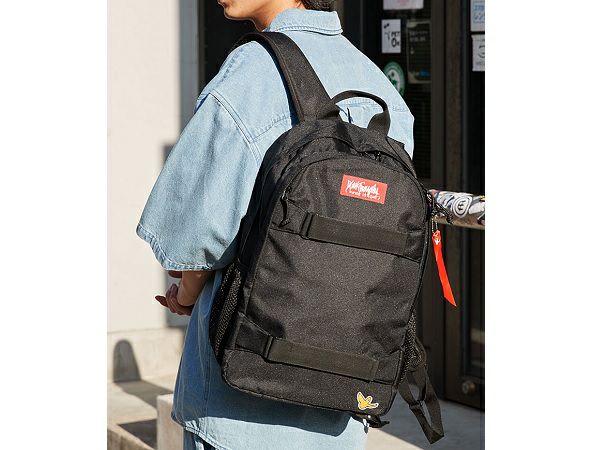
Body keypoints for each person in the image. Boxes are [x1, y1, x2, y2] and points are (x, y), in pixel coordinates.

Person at [137, 1, 415, 449]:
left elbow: (195, 236)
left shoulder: (252, 70)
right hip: (341, 404)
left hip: (238, 405)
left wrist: (185, 295)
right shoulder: (378, 85)